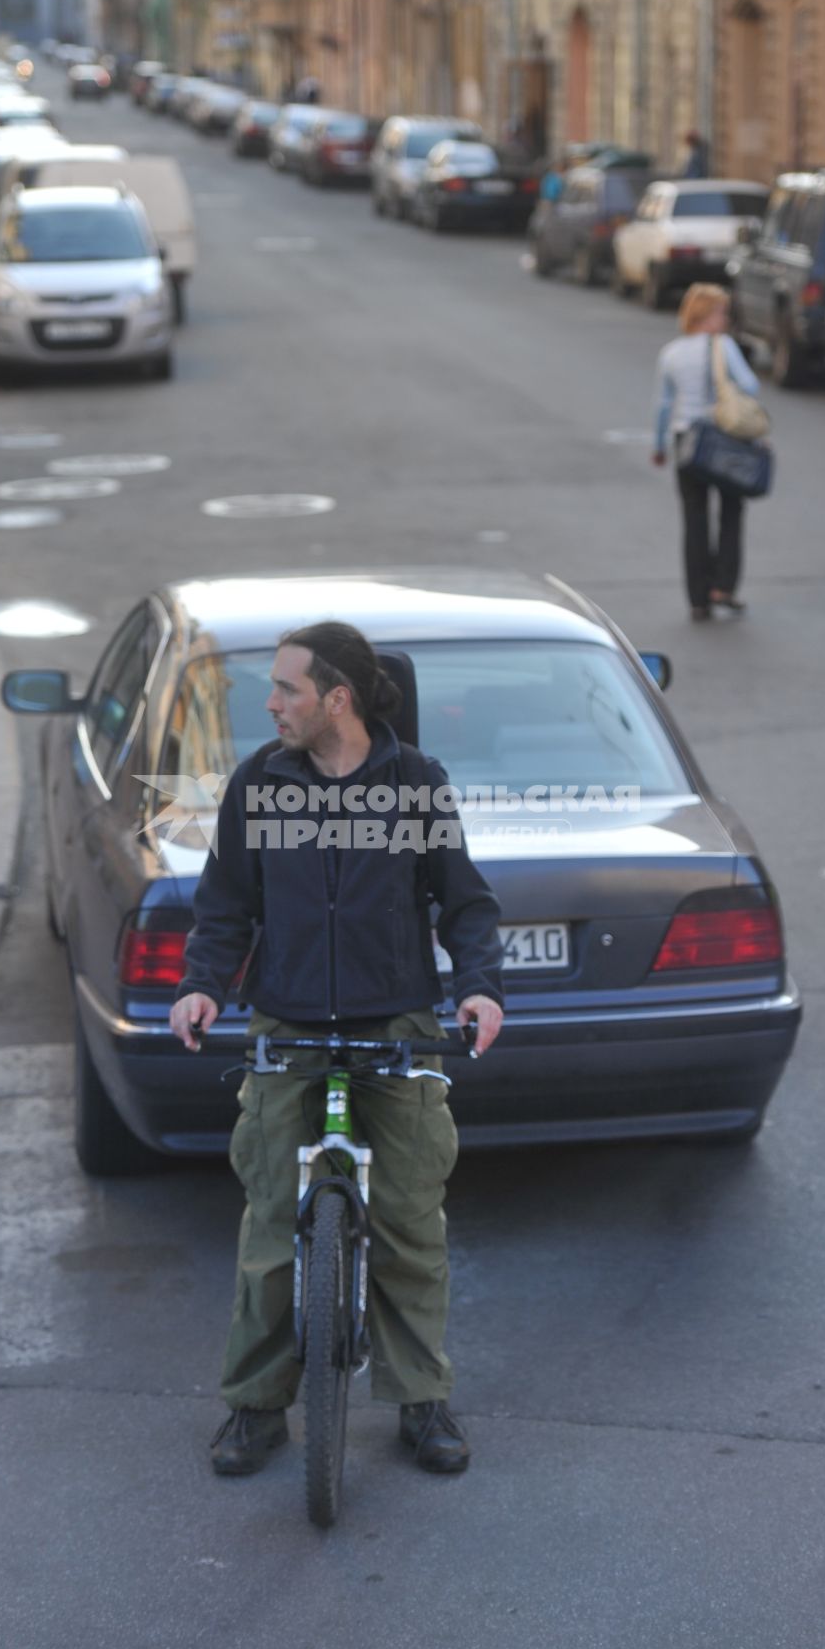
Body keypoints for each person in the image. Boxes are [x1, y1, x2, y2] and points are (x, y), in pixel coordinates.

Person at [170, 622, 505, 1480]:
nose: (270, 704)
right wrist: (202, 982)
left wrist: (478, 985)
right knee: (270, 1224)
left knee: (406, 1221)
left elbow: (462, 902)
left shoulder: (414, 785)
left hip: (395, 1022)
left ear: (337, 700)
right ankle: (254, 1407)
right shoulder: (261, 784)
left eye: (286, 689)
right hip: (285, 1024)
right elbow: (224, 906)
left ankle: (420, 1399)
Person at [651, 283, 764, 620]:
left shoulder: (670, 353)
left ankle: (698, 598)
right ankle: (723, 586)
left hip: (686, 441)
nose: (726, 320)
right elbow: (750, 386)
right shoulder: (723, 346)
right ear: (706, 315)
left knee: (694, 518)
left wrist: (659, 445)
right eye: (722, 313)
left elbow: (663, 405)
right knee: (731, 511)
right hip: (723, 439)